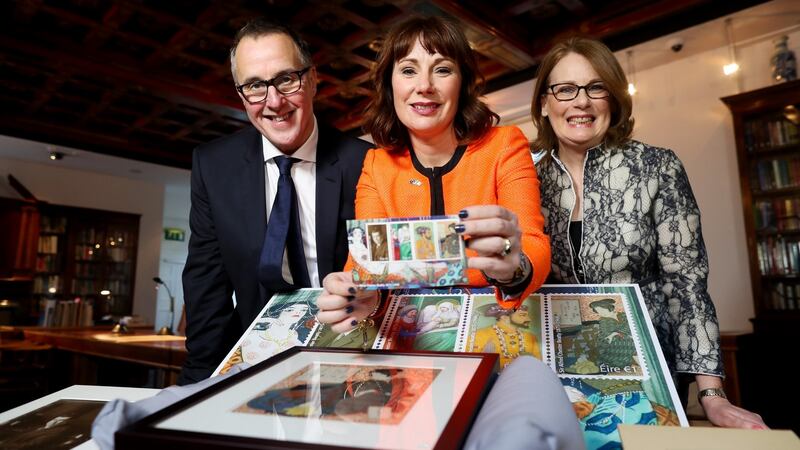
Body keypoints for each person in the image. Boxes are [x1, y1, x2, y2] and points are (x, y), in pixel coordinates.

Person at [530, 36, 766, 429]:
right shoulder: (523, 176)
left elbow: (687, 284)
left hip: (648, 369)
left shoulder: (657, 167)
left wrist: (711, 395)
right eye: (565, 89)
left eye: (596, 87)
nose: (581, 102)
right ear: (544, 102)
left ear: (614, 98)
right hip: (554, 372)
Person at [316, 16, 551, 336]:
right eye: (409, 70)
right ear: (390, 85)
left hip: (496, 326)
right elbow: (364, 266)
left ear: (463, 83)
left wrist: (516, 268)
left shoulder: (504, 144)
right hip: (409, 335)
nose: (424, 86)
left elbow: (533, 245)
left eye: (442, 69)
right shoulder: (376, 164)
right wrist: (355, 296)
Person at [180, 18, 370, 384]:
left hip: (354, 356)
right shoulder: (213, 165)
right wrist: (197, 386)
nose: (274, 101)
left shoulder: (366, 162)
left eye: (286, 79)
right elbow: (206, 286)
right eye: (254, 85)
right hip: (257, 362)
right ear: (240, 94)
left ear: (313, 79)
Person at [471, 304, 541, 369]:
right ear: (504, 317)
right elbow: (472, 364)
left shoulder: (530, 337)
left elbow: (539, 365)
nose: (529, 319)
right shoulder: (481, 334)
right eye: (522, 315)